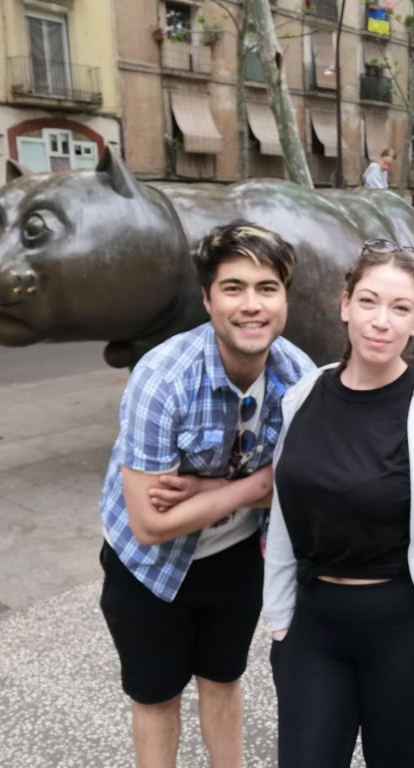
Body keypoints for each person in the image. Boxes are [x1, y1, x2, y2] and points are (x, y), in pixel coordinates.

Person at [98, 222, 315, 768]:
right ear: (206, 298)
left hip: (236, 556)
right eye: (234, 288)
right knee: (156, 696)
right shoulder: (162, 377)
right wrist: (254, 486)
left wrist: (214, 489)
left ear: (285, 297)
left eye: (267, 288)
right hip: (145, 566)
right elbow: (148, 521)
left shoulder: (298, 377)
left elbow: (303, 489)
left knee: (224, 678)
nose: (252, 305)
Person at [264, 238, 414, 768]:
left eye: (399, 307)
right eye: (368, 301)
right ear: (345, 305)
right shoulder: (303, 396)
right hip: (313, 627)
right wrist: (279, 621)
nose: (380, 320)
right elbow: (283, 514)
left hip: (402, 631)